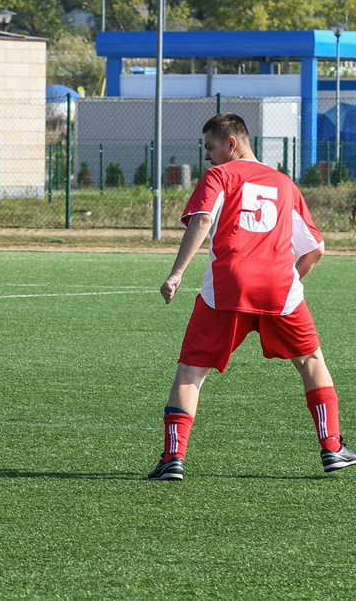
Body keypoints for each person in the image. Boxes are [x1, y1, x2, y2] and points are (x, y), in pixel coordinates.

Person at [149, 112, 356, 481]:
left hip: (228, 288)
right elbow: (316, 249)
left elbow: (201, 220)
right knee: (311, 362)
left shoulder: (219, 176)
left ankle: (173, 459)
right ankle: (332, 448)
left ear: (232, 143)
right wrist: (287, 278)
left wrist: (177, 273)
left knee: (191, 371)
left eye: (211, 147)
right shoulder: (284, 182)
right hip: (280, 290)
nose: (208, 156)